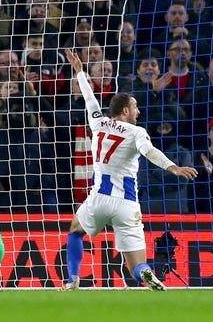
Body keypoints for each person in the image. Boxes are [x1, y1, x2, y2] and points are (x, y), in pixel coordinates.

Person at [62, 48, 197, 291]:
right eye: (135, 107)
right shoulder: (137, 132)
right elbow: (149, 152)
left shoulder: (99, 122)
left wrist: (80, 72)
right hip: (127, 204)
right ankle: (146, 273)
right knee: (137, 265)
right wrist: (173, 167)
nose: (139, 111)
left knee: (75, 231)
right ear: (125, 110)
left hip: (99, 200)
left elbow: (90, 98)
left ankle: (73, 280)